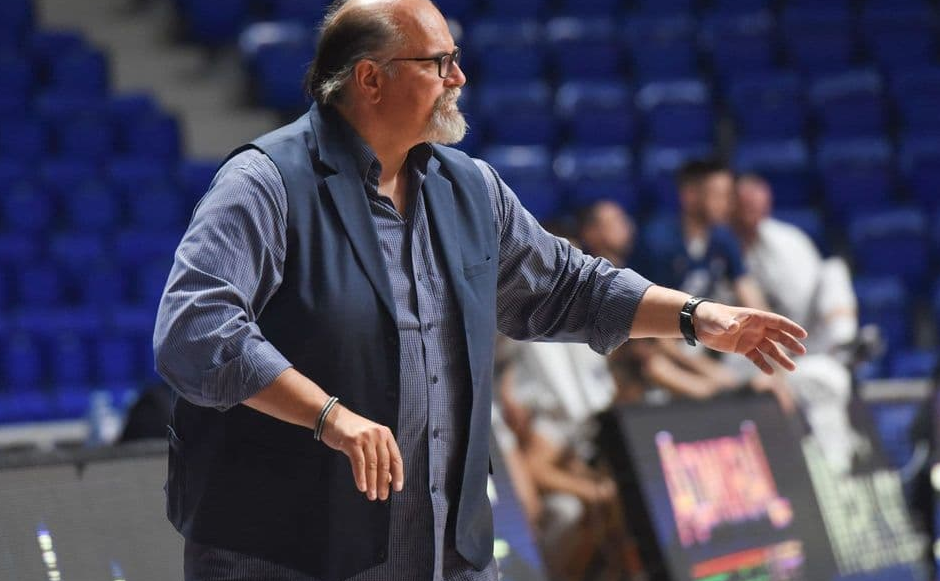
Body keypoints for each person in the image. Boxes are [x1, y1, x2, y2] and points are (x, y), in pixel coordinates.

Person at [152, 1, 808, 580]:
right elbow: (195, 329)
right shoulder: (265, 183)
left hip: (447, 551)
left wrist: (695, 316)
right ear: (370, 79)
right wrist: (329, 415)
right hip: (286, 554)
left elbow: (569, 285)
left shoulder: (470, 188)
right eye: (438, 62)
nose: (459, 79)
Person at [732, 173, 860, 473]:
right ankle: (834, 472)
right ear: (731, 205)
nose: (752, 213)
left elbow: (799, 312)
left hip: (799, 344)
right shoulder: (721, 245)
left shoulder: (788, 242)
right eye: (744, 206)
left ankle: (845, 345)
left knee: (834, 271)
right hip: (741, 354)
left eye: (757, 206)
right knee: (827, 379)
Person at [643, 158, 766, 309]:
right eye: (718, 195)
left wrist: (766, 320)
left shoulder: (723, 237)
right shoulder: (658, 241)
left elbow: (746, 288)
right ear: (690, 195)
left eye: (729, 196)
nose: (727, 204)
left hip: (699, 320)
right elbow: (651, 306)